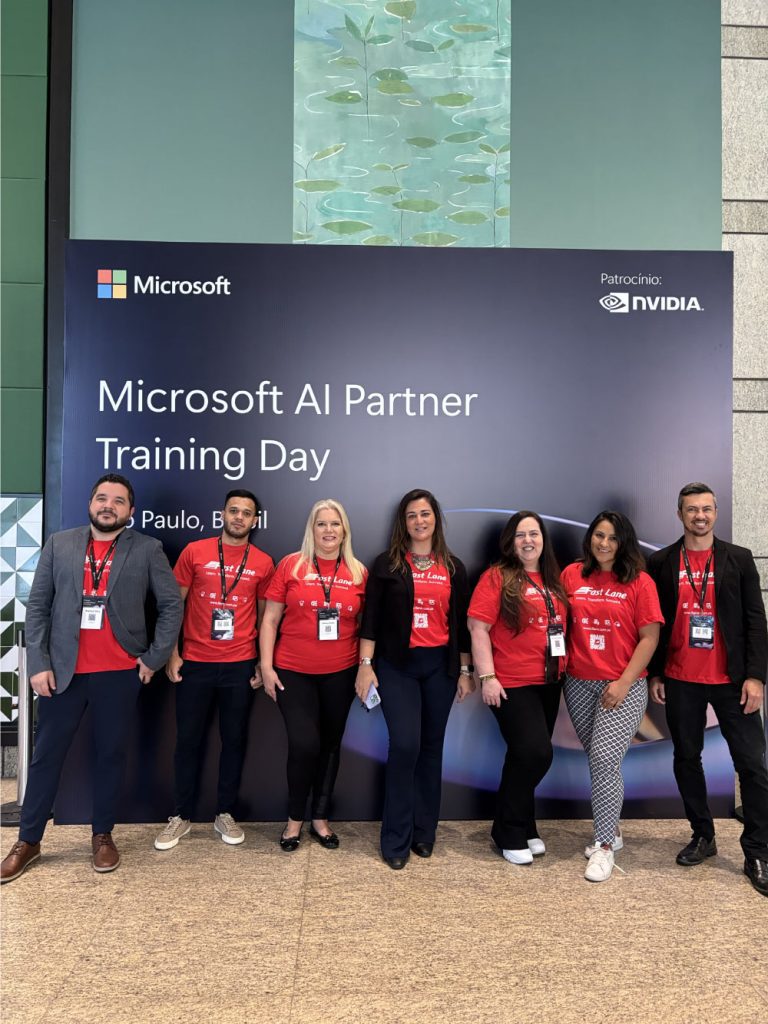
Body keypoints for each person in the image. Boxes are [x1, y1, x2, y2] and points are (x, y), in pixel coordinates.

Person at [1, 474, 182, 883]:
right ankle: (28, 841)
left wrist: (153, 658)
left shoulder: (148, 549)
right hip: (63, 674)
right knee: (46, 757)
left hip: (120, 674)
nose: (108, 506)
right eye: (102, 498)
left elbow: (171, 605)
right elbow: (38, 609)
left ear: (130, 512)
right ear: (90, 504)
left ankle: (103, 836)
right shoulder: (59, 544)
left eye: (118, 501)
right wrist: (39, 664)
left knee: (110, 756)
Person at [647, 482, 768, 897]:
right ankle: (703, 835)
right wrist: (656, 673)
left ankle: (757, 850)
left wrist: (756, 677)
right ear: (679, 514)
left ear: (716, 513)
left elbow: (756, 621)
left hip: (733, 682)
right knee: (686, 758)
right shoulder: (661, 562)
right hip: (681, 680)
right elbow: (654, 624)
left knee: (752, 765)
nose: (700, 516)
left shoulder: (738, 559)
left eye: (707, 509)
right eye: (691, 509)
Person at [355, 488, 473, 869]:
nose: (419, 521)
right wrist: (365, 664)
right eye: (411, 515)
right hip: (397, 667)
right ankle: (395, 839)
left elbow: (461, 627)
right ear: (402, 522)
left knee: (431, 750)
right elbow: (370, 619)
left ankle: (425, 833)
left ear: (435, 518)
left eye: (425, 514)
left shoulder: (453, 567)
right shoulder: (386, 565)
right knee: (405, 745)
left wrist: (466, 670)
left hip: (439, 668)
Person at [154, 489, 274, 851]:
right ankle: (181, 816)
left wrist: (258, 661)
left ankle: (225, 812)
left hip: (238, 666)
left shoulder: (264, 562)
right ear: (222, 514)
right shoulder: (195, 551)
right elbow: (174, 605)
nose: (239, 517)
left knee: (233, 741)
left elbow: (268, 616)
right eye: (233, 510)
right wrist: (172, 653)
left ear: (255, 521)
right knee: (188, 741)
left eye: (246, 513)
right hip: (196, 663)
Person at [562, 510, 663, 883]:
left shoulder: (640, 582)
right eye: (599, 536)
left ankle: (604, 846)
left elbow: (650, 638)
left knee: (605, 758)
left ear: (624, 543)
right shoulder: (572, 574)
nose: (604, 544)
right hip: (578, 682)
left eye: (612, 538)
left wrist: (622, 683)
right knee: (599, 759)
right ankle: (613, 829)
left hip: (624, 685)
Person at [260, 500, 367, 851]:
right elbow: (271, 619)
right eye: (321, 524)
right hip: (293, 672)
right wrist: (266, 666)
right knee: (305, 744)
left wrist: (366, 668)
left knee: (331, 746)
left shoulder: (358, 572)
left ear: (344, 530)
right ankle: (294, 819)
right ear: (312, 529)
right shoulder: (292, 565)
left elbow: (369, 628)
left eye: (335, 524)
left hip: (341, 672)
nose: (328, 531)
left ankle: (319, 818)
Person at [468, 511, 567, 865]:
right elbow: (478, 628)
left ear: (543, 539)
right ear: (511, 541)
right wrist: (487, 676)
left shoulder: (554, 578)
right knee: (536, 752)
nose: (528, 540)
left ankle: (525, 825)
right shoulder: (497, 577)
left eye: (534, 534)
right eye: (521, 535)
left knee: (522, 756)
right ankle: (506, 829)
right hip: (511, 682)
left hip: (549, 681)